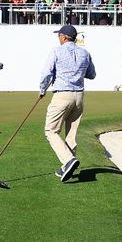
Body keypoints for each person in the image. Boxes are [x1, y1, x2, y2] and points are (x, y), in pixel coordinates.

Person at [39, 23, 96, 182]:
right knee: (70, 134)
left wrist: (42, 90)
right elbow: (91, 74)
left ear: (64, 37)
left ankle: (68, 161)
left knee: (51, 130)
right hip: (79, 97)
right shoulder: (85, 53)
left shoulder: (57, 50)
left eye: (59, 35)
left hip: (62, 95)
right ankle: (67, 167)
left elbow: (46, 73)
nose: (58, 38)